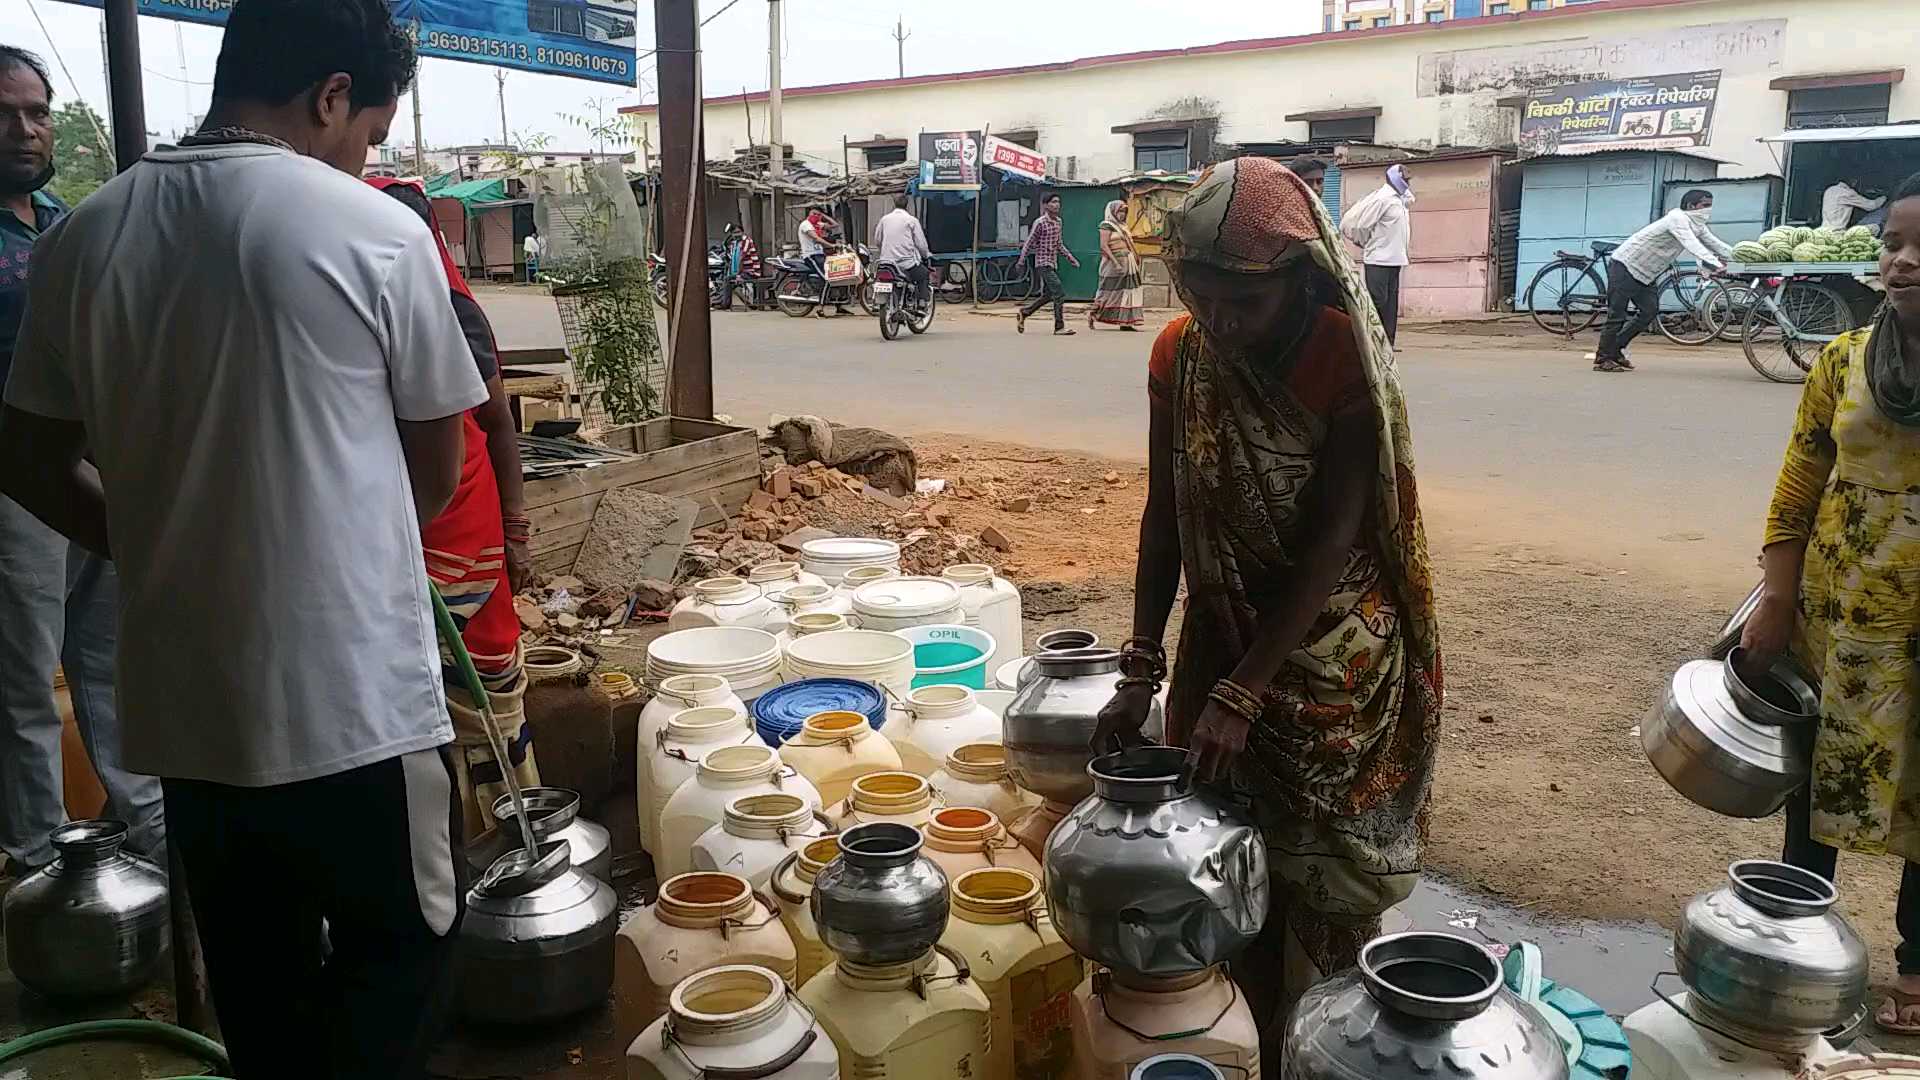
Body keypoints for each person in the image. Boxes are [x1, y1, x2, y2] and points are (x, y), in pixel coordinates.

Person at [0, 2, 483, 1075]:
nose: (365, 158)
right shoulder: (375, 231)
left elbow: (26, 458)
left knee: (258, 991)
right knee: (406, 957)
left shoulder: (89, 233)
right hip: (357, 706)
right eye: (367, 132)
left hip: (194, 724)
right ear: (328, 97)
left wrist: (164, 540)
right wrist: (319, 542)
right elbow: (436, 471)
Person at [1094, 157, 1442, 1063]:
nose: (1221, 324)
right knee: (1222, 866)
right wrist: (1141, 666)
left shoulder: (1341, 357)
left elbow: (1335, 537)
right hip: (1223, 634)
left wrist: (1245, 693)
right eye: (1201, 300)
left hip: (1330, 653)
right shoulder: (1179, 354)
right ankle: (1237, 1035)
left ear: (1297, 279)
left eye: (1241, 305)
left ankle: (1327, 1046)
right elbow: (1165, 513)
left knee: (1321, 890)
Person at [1743, 171, 1920, 1036]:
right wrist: (1774, 602)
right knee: (1818, 784)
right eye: (1893, 243)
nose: (1904, 262)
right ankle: (1791, 934)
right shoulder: (1844, 360)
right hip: (1841, 615)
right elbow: (1797, 487)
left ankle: (1918, 965)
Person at [0, 46, 164, 873]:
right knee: (25, 679)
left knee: (108, 663)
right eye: (5, 114)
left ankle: (147, 829)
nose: (26, 130)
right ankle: (37, 858)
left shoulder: (64, 219)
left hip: (91, 463)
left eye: (36, 112)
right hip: (13, 483)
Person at [372, 176, 539, 840]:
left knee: (483, 683)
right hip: (389, 530)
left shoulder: (453, 308)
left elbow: (497, 425)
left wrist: (516, 531)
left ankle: (501, 830)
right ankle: (437, 841)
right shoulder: (359, 311)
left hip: (457, 527)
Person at [1586, 189, 1733, 373]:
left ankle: (1615, 349)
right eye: (1705, 205)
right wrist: (1715, 263)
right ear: (1691, 206)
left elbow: (1715, 244)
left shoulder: (1697, 226)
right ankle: (1602, 359)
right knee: (1617, 315)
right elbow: (1691, 244)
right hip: (1626, 265)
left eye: (1710, 206)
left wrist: (1740, 257)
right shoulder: (1677, 219)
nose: (1708, 210)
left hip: (1647, 273)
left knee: (1649, 311)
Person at [1340, 163, 1413, 345]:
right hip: (1378, 259)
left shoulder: (1400, 199)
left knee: (1391, 305)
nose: (1408, 182)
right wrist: (1365, 243)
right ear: (1395, 178)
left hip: (1396, 259)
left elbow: (1410, 201)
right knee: (1378, 303)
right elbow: (1362, 225)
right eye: (1405, 179)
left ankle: (1388, 342)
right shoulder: (1382, 199)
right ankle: (1373, 341)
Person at [1016, 192, 1080, 335]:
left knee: (1048, 295)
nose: (1056, 205)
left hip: (1052, 263)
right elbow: (1029, 242)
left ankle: (1025, 313)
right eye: (1053, 202)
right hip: (1042, 263)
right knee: (1059, 293)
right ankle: (1059, 327)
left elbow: (1059, 244)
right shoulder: (1040, 223)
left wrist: (1071, 258)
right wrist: (1021, 260)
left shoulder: (1058, 222)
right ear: (1045, 205)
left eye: (1058, 202)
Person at [1088, 199, 1144, 331]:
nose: (1122, 214)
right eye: (1120, 211)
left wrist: (1136, 257)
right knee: (1108, 292)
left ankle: (1125, 322)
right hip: (1113, 264)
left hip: (1128, 263)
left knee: (1127, 292)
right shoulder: (1106, 225)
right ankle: (1093, 314)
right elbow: (1104, 245)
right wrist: (1115, 262)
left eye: (1124, 211)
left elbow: (1130, 244)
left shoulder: (1124, 226)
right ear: (1113, 211)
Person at [872, 193, 931, 310]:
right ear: (907, 205)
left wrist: (884, 251)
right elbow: (921, 243)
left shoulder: (885, 219)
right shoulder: (911, 220)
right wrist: (926, 254)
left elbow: (878, 240)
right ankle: (922, 303)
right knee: (923, 274)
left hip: (886, 263)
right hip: (906, 263)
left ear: (894, 204)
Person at [798, 207, 850, 316]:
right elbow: (816, 238)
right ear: (809, 213)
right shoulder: (806, 225)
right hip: (811, 256)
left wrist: (824, 216)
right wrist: (831, 245)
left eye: (818, 214)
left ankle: (839, 306)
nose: (816, 216)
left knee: (837, 276)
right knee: (827, 279)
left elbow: (835, 225)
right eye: (814, 213)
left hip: (820, 255)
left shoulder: (819, 224)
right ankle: (820, 309)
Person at [718, 221, 762, 310]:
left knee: (728, 280)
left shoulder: (747, 241)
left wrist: (738, 274)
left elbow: (741, 257)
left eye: (738, 232)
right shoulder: (735, 243)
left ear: (742, 232)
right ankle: (722, 302)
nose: (737, 234)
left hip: (750, 272)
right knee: (726, 282)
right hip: (742, 272)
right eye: (734, 233)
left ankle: (725, 304)